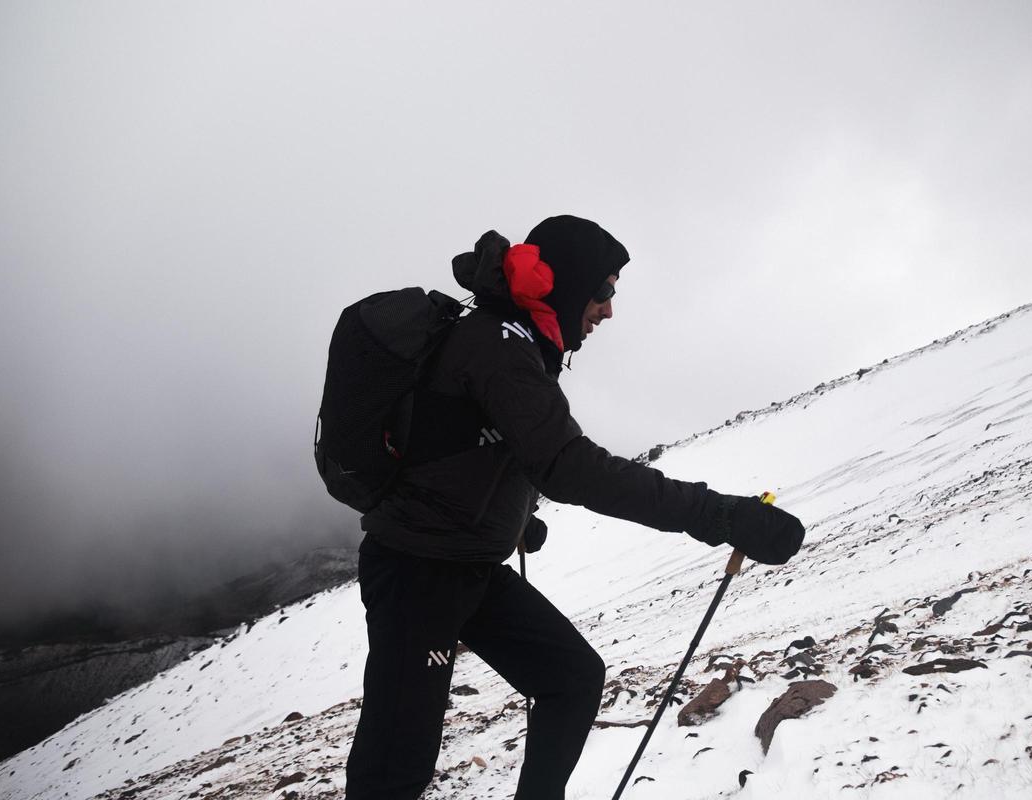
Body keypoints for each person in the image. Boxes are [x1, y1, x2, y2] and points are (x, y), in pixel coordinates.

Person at [343, 215, 805, 799]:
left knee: (571, 679)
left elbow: (472, 444)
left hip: (468, 566)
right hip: (415, 571)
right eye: (604, 290)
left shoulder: (517, 342)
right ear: (568, 284)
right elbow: (570, 466)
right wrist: (719, 515)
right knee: (395, 768)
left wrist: (510, 519)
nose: (608, 309)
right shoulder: (499, 344)